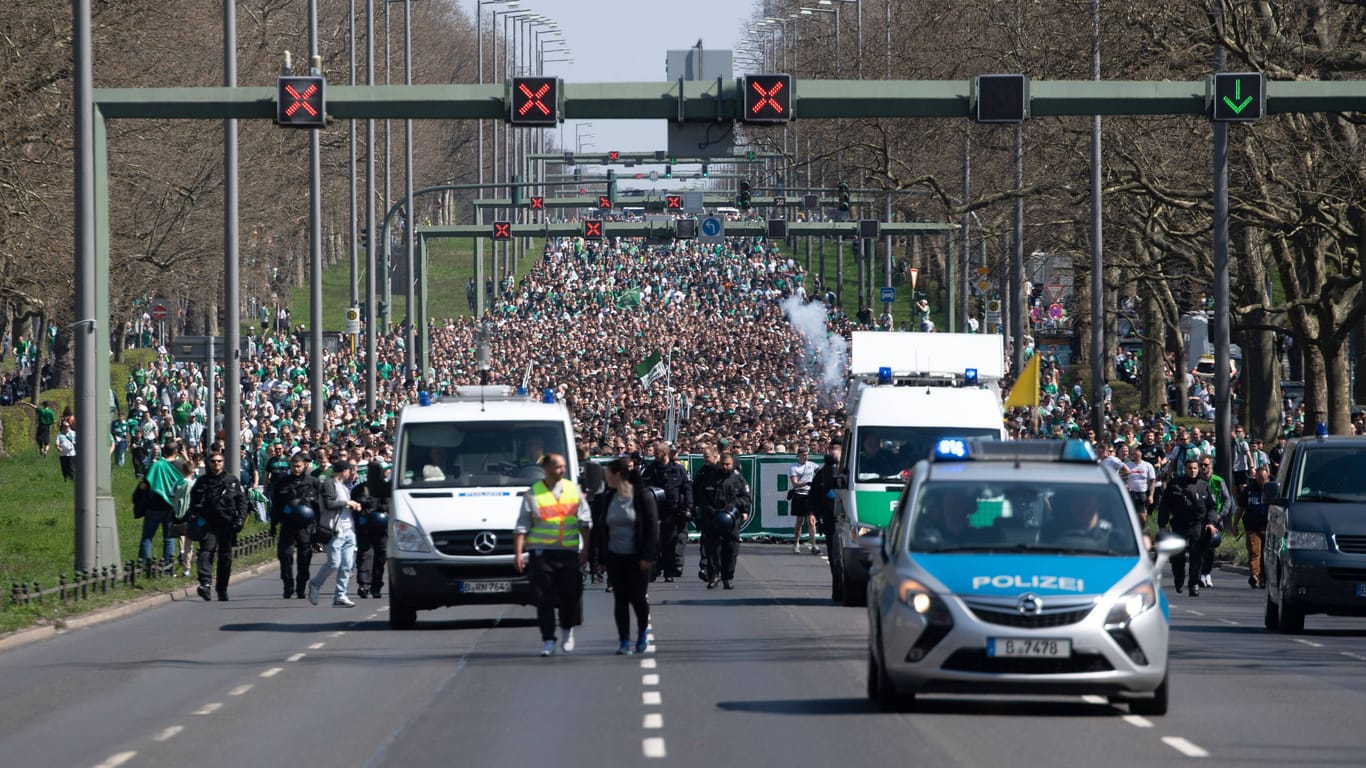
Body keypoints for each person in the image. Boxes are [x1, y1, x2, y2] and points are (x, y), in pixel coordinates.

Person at [514, 452, 592, 657]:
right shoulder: (533, 493)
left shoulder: (573, 490)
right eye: (558, 466)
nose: (562, 470)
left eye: (564, 466)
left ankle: (567, 631)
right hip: (542, 554)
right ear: (547, 468)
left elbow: (585, 521)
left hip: (568, 553)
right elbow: (522, 525)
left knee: (570, 595)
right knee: (543, 598)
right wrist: (518, 554)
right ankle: (548, 639)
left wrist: (586, 549)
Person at [591, 458, 659, 655]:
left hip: (637, 558)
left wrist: (647, 556)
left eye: (608, 474)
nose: (606, 478)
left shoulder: (642, 496)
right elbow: (601, 528)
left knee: (637, 598)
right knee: (620, 599)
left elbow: (652, 527)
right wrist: (601, 559)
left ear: (618, 475)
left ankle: (642, 633)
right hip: (615, 557)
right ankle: (624, 640)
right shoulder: (607, 497)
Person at [188, 450, 248, 601]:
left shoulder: (232, 480)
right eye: (213, 461)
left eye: (219, 461)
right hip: (208, 524)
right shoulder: (202, 481)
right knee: (206, 552)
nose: (216, 464)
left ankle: (222, 589)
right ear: (209, 463)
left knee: (225, 557)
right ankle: (205, 584)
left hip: (227, 524)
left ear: (223, 462)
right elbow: (193, 501)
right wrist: (194, 517)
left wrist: (240, 519)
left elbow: (242, 501)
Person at [1158, 458, 1218, 596]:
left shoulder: (1204, 485)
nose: (1193, 471)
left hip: (1198, 525)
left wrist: (1210, 522)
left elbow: (1212, 507)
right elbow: (1165, 506)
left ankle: (1194, 583)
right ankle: (1179, 578)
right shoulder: (1175, 485)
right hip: (1179, 524)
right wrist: (1162, 525)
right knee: (1177, 556)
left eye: (1195, 468)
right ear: (1185, 469)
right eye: (1190, 468)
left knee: (1196, 556)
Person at [694, 449, 752, 590]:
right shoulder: (710, 477)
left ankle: (728, 577)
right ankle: (713, 576)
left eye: (728, 464)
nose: (725, 467)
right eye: (723, 464)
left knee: (730, 550)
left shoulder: (738, 479)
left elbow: (746, 498)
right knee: (712, 549)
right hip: (713, 518)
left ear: (732, 464)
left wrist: (735, 506)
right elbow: (700, 496)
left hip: (731, 519)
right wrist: (708, 509)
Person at [307, 460, 362, 607]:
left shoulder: (343, 487)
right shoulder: (329, 484)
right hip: (334, 531)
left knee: (347, 564)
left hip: (348, 530)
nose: (351, 473)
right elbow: (329, 504)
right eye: (350, 470)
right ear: (344, 471)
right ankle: (315, 584)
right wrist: (348, 503)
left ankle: (340, 595)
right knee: (334, 563)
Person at [270, 450, 322, 599]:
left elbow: (319, 507)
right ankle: (288, 585)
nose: (296, 469)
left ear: (304, 466)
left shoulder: (313, 482)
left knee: (304, 558)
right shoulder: (283, 483)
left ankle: (301, 586)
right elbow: (276, 506)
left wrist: (318, 526)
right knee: (285, 555)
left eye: (298, 466)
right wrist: (273, 525)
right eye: (293, 466)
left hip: (306, 526)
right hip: (288, 524)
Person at [641, 440, 691, 582]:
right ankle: (654, 569)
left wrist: (688, 507)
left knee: (669, 542)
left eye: (657, 453)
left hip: (672, 510)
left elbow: (686, 489)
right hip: (655, 510)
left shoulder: (678, 469)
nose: (655, 456)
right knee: (654, 541)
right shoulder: (651, 469)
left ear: (664, 454)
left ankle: (669, 572)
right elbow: (645, 487)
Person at [137, 439, 184, 570]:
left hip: (154, 506)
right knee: (169, 539)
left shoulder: (157, 466)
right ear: (176, 451)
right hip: (172, 508)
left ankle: (142, 565)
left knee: (147, 537)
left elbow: (144, 485)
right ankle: (168, 567)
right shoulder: (181, 466)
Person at [810, 441, 844, 601]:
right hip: (830, 517)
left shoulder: (848, 472)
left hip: (846, 516)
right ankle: (837, 583)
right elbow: (814, 494)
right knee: (833, 552)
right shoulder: (822, 473)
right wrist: (813, 513)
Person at [354, 459, 390, 599]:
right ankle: (364, 585)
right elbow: (354, 507)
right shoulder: (360, 488)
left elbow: (389, 505)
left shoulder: (385, 488)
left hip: (381, 528)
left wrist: (382, 509)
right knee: (365, 556)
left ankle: (376, 586)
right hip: (365, 527)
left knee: (380, 557)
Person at [1197, 458, 1234, 588]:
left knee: (1211, 548)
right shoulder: (1196, 481)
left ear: (1211, 465)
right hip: (1199, 520)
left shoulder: (1218, 481)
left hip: (1215, 520)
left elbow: (1227, 499)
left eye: (1206, 465)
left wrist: (1220, 515)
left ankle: (1207, 573)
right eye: (1201, 465)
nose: (1203, 467)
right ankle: (1200, 574)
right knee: (1199, 547)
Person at [1233, 465, 1271, 589]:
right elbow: (1240, 508)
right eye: (1260, 478)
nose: (1263, 481)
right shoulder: (1248, 491)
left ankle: (1264, 578)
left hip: (1269, 528)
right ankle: (1254, 576)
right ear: (1256, 478)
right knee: (1254, 552)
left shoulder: (1273, 491)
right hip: (1252, 527)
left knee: (1267, 555)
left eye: (1265, 478)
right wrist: (1235, 525)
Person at [577, 445, 607, 583]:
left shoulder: (593, 467)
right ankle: (588, 571)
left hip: (591, 505)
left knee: (591, 540)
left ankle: (592, 571)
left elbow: (599, 489)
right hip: (578, 506)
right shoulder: (572, 466)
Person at [788, 447, 820, 555]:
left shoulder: (812, 465)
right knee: (799, 521)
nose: (806, 456)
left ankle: (814, 545)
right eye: (804, 455)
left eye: (807, 454)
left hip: (809, 496)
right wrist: (806, 483)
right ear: (799, 455)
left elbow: (820, 473)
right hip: (799, 495)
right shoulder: (793, 467)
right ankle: (796, 544)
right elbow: (795, 483)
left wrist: (817, 483)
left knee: (811, 521)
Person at [1119, 442, 1156, 527]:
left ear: (1139, 453)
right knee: (1130, 515)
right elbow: (1121, 478)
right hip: (1130, 493)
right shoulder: (1127, 465)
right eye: (1131, 453)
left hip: (1142, 493)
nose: (1131, 455)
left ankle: (1142, 532)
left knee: (1142, 517)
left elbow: (1152, 481)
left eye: (1133, 453)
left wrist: (1151, 495)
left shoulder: (1148, 466)